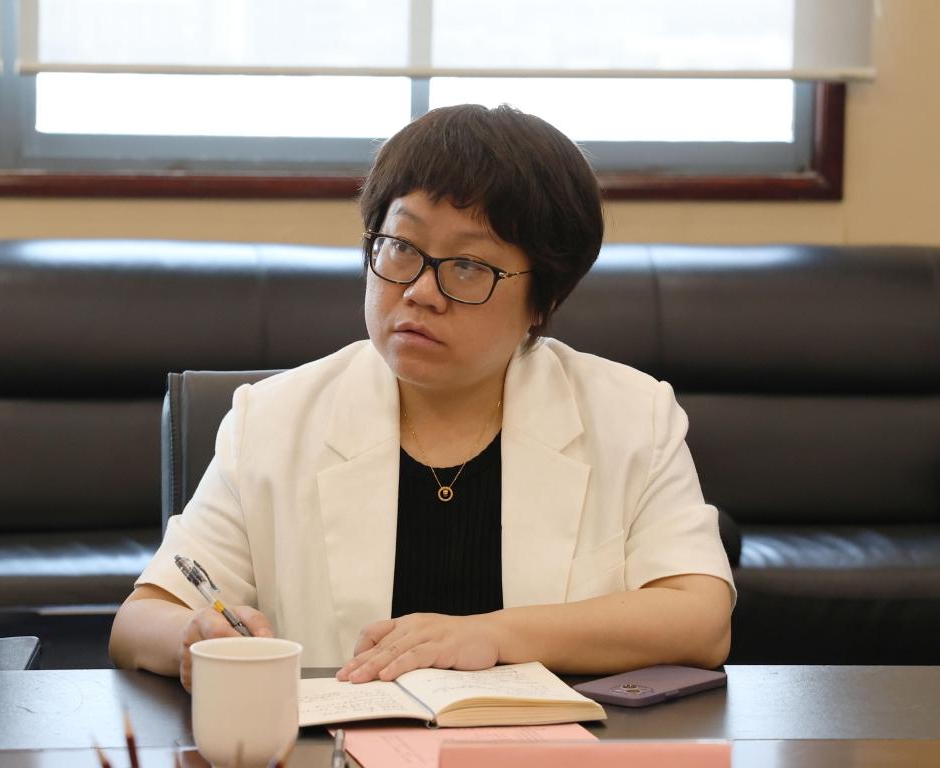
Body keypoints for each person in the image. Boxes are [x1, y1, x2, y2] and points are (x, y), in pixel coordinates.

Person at [109, 104, 734, 691]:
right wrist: (193, 637)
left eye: (468, 266)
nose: (420, 291)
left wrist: (491, 635)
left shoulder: (631, 416)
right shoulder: (272, 418)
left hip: (548, 747)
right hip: (337, 747)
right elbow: (140, 621)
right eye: (402, 248)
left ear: (541, 301)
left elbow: (701, 620)